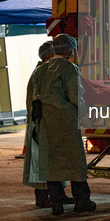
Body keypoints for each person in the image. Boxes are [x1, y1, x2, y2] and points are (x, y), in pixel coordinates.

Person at [30, 34, 95, 216]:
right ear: (69, 50)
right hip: (66, 121)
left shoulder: (42, 69)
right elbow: (75, 95)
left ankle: (56, 204)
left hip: (47, 122)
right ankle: (82, 200)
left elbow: (36, 94)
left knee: (52, 164)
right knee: (75, 162)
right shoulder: (69, 69)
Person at [23, 41, 75, 208]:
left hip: (46, 121)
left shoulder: (45, 71)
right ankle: (44, 197)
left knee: (53, 160)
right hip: (43, 122)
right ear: (49, 55)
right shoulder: (43, 72)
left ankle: (58, 195)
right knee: (43, 161)